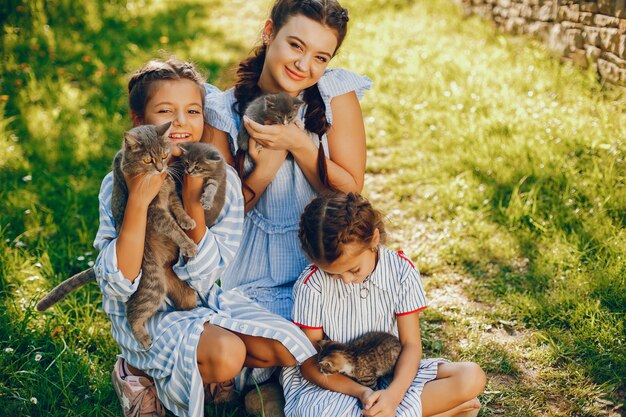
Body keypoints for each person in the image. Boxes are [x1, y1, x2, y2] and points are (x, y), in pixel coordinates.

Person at [93, 58, 316, 417]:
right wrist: (137, 200)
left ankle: (196, 370)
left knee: (293, 348)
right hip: (148, 313)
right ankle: (135, 371)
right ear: (138, 121)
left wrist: (194, 199)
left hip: (201, 300)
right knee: (229, 354)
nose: (180, 122)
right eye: (166, 110)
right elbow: (119, 285)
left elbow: (206, 274)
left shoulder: (221, 176)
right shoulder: (116, 184)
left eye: (193, 110)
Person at [203, 0, 371, 321]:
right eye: (296, 45)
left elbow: (350, 195)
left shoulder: (335, 96)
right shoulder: (223, 113)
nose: (304, 65)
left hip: (328, 269)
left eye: (320, 57)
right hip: (255, 280)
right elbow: (217, 218)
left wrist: (299, 144)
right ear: (269, 33)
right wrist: (264, 171)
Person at [281, 192, 487, 417]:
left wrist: (393, 396)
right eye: (334, 275)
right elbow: (310, 362)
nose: (347, 281)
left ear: (374, 240)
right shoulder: (311, 285)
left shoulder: (401, 271)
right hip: (335, 383)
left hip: (387, 372)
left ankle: (395, 410)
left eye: (353, 270)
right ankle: (443, 411)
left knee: (471, 377)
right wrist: (362, 393)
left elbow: (411, 345)